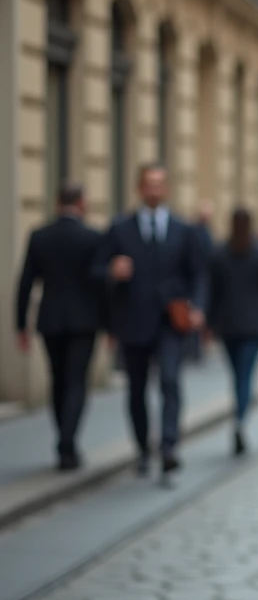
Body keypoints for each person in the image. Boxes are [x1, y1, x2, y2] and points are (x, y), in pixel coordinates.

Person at [94, 163, 206, 478]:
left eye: (160, 184)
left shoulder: (183, 230)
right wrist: (111, 271)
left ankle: (169, 446)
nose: (154, 189)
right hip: (132, 320)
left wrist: (197, 306)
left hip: (172, 320)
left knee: (170, 381)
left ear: (166, 188)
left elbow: (198, 273)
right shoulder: (120, 228)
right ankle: (143, 448)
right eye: (149, 184)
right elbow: (96, 269)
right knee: (137, 389)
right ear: (139, 188)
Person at [14, 181, 105, 470]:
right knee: (77, 381)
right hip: (84, 321)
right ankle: (68, 442)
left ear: (57, 203)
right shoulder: (92, 237)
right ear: (81, 203)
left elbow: (25, 283)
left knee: (58, 379)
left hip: (50, 320)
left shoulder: (40, 236)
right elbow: (101, 284)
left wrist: (21, 326)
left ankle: (64, 440)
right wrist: (110, 322)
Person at [206, 207, 258, 456]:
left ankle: (238, 415)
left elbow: (212, 293)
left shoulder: (219, 253)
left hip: (227, 325)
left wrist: (209, 323)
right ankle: (239, 420)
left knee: (237, 374)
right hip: (255, 325)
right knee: (245, 375)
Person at [184, 199, 215, 363]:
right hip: (200, 276)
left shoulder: (206, 232)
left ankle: (196, 347)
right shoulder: (196, 232)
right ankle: (193, 348)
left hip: (203, 277)